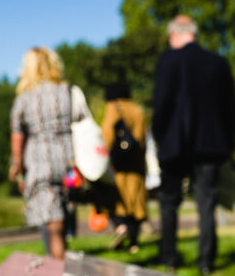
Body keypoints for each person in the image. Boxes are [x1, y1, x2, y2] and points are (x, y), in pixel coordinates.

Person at [152, 15, 235, 274]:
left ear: (175, 34)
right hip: (210, 144)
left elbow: (161, 104)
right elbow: (230, 109)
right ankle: (206, 261)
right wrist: (229, 142)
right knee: (206, 202)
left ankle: (169, 257)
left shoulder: (167, 60)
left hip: (174, 142)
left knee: (169, 202)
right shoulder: (217, 62)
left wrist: (159, 137)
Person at [9, 47, 86, 260]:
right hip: (68, 158)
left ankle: (58, 265)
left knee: (52, 220)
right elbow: (82, 122)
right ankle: (61, 258)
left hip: (40, 159)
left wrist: (17, 166)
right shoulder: (68, 91)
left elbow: (17, 136)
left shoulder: (25, 97)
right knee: (64, 209)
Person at [101, 82, 147, 253]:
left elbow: (107, 133)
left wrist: (106, 154)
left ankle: (121, 228)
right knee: (136, 201)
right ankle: (134, 243)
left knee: (118, 199)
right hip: (136, 164)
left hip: (119, 165)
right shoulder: (137, 109)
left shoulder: (113, 107)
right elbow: (142, 137)